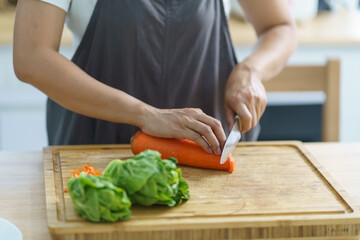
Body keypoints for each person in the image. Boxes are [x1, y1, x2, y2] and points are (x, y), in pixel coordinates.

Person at [13, 0, 297, 155]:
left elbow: (280, 26)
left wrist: (250, 71)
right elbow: (31, 57)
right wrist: (146, 115)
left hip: (209, 160)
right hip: (100, 160)